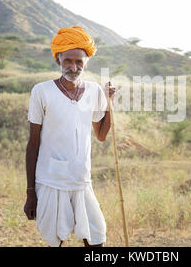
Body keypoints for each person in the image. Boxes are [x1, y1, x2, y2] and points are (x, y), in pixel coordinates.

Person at [23, 26, 115, 247]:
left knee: (96, 238)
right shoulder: (42, 91)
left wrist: (109, 101)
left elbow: (101, 135)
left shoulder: (93, 91)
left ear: (85, 64)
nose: (74, 67)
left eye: (79, 62)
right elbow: (33, 144)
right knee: (56, 241)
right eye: (68, 61)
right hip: (51, 179)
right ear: (58, 60)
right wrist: (30, 193)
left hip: (81, 179)